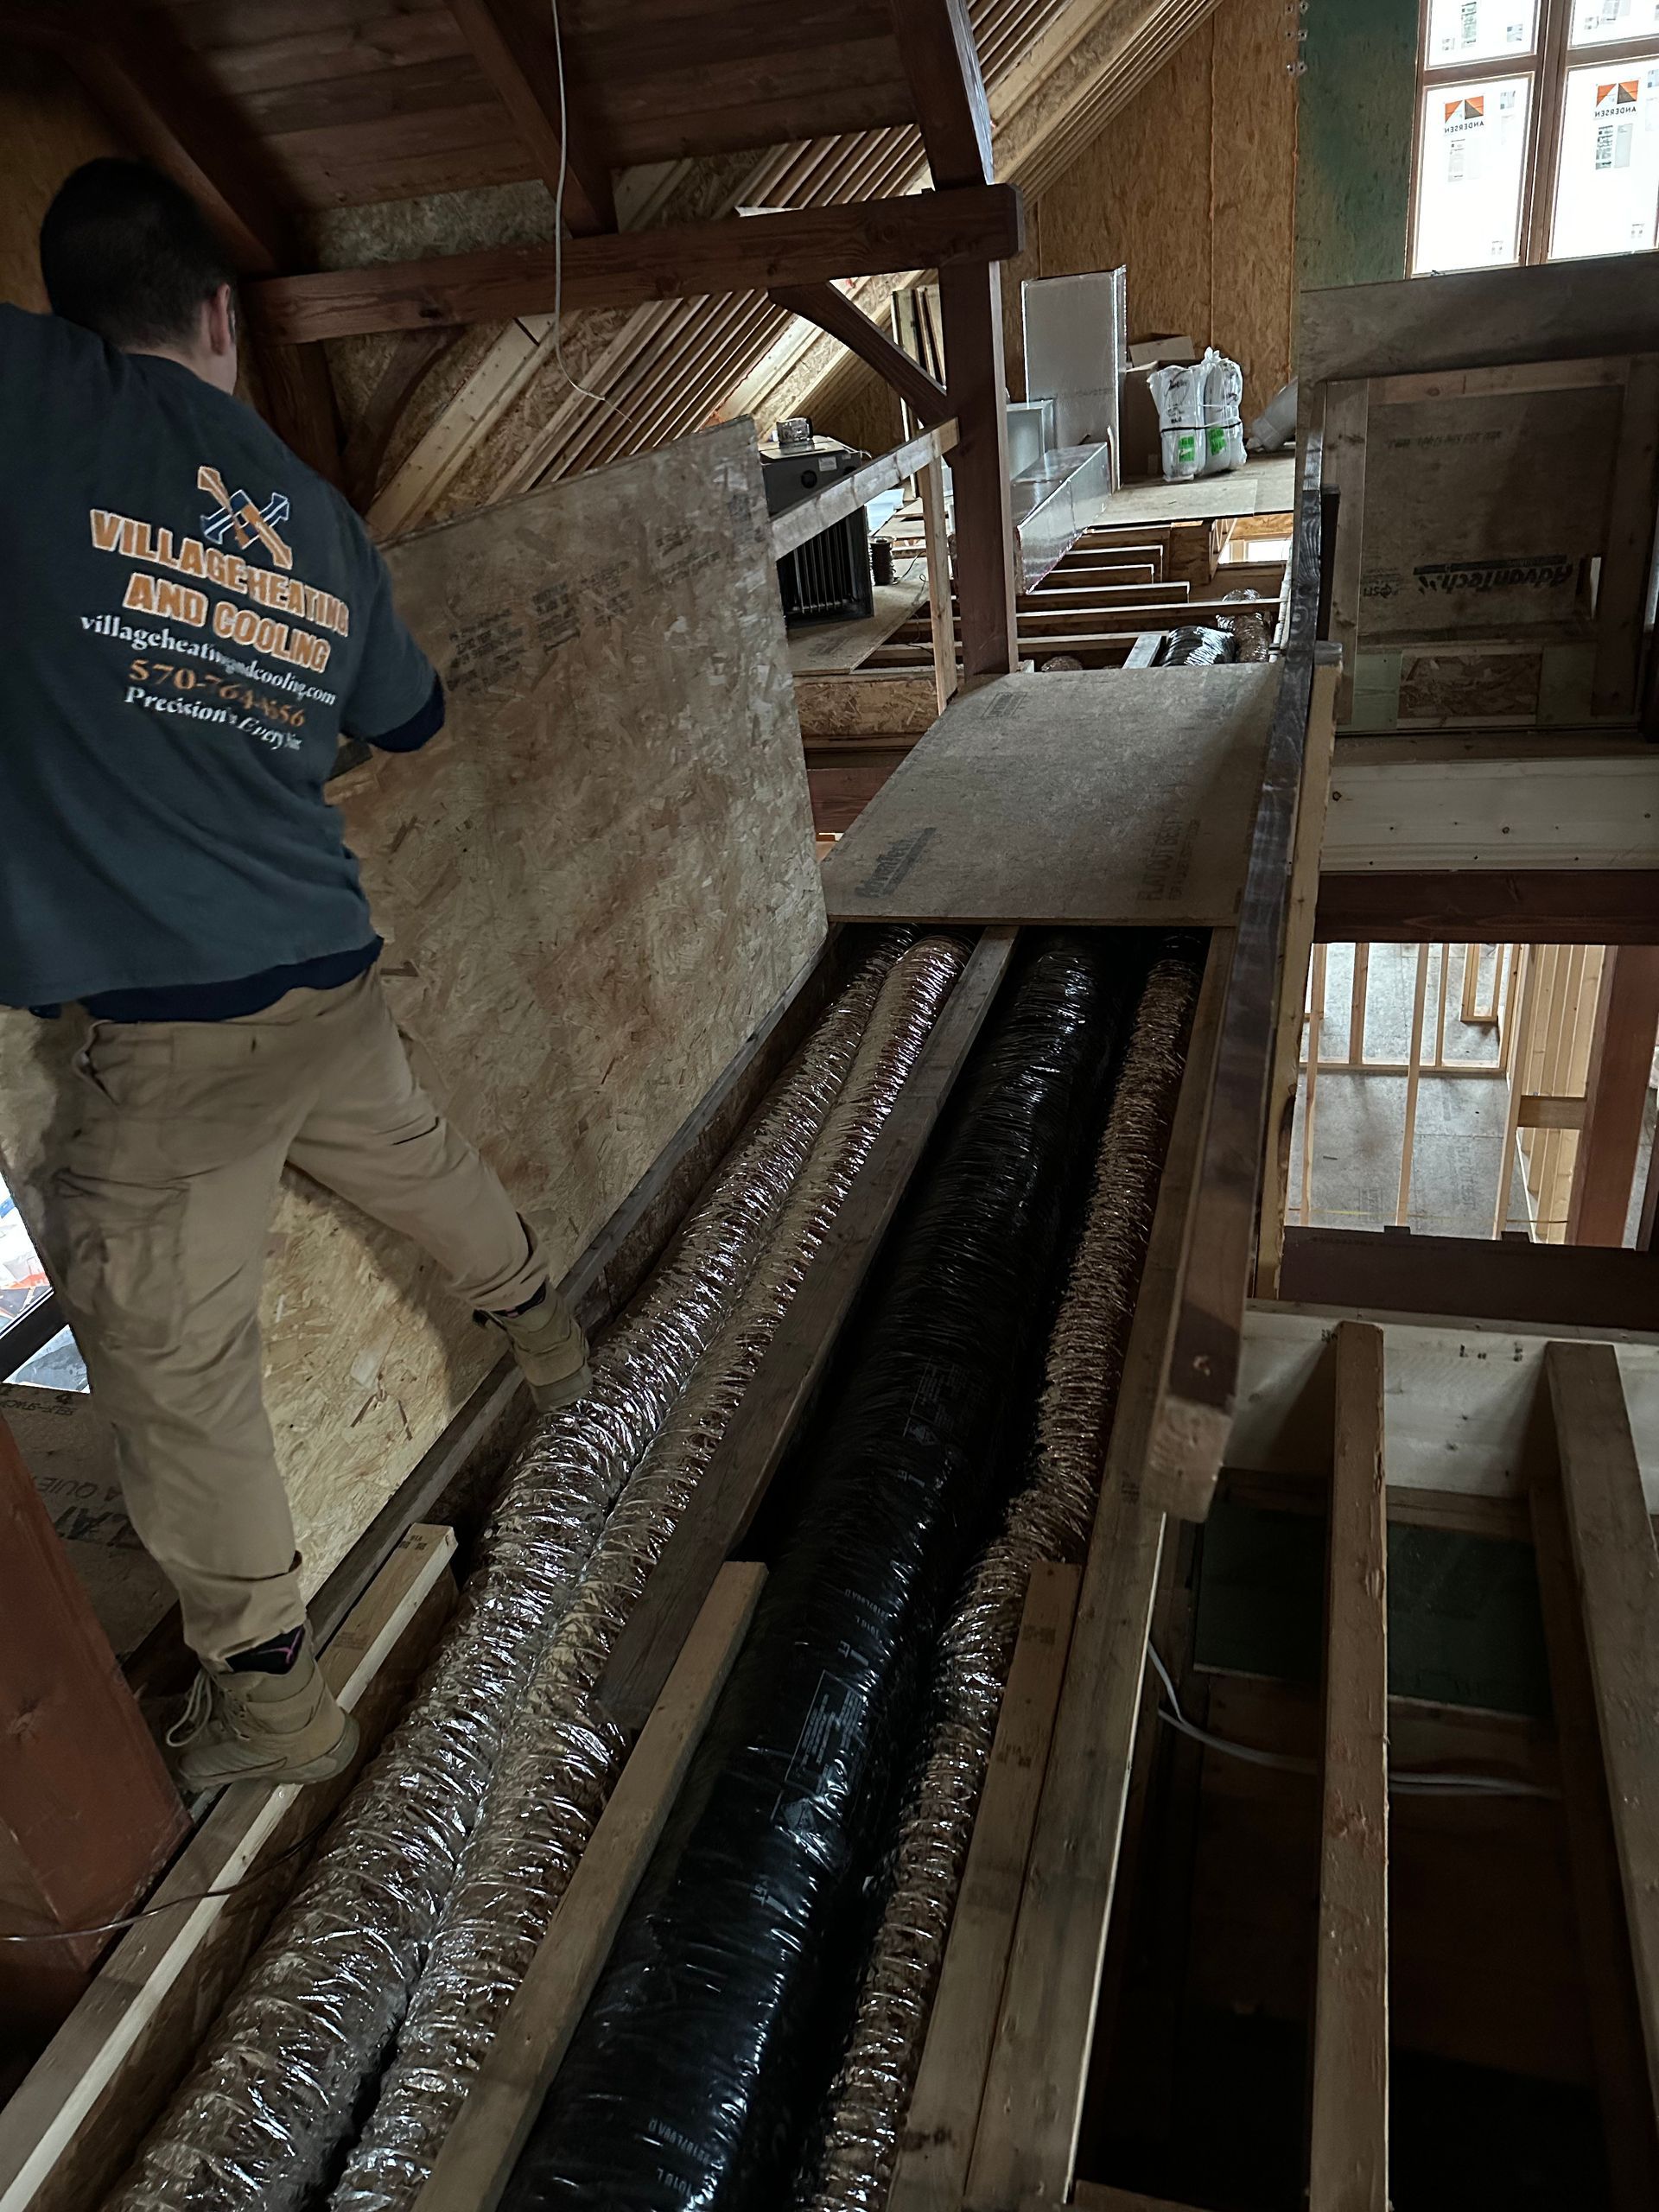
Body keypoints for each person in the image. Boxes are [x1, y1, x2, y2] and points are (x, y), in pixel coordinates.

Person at [0, 159, 590, 1791]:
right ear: (224, 317)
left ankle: (274, 1710)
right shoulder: (304, 507)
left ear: (67, 312)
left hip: (172, 1037)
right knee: (419, 1158)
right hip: (325, 969)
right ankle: (551, 1340)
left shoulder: (39, 405)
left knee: (172, 1364)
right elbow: (411, 720)